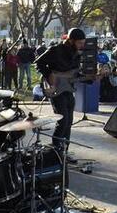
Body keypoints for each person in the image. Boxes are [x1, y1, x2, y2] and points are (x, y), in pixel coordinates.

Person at [36, 28, 86, 158]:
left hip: (68, 90)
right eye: (80, 42)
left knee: (69, 122)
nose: (82, 45)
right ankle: (56, 151)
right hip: (55, 90)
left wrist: (92, 78)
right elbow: (39, 62)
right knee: (62, 120)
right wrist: (49, 75)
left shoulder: (77, 55)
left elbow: (75, 74)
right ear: (70, 40)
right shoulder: (55, 50)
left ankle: (64, 151)